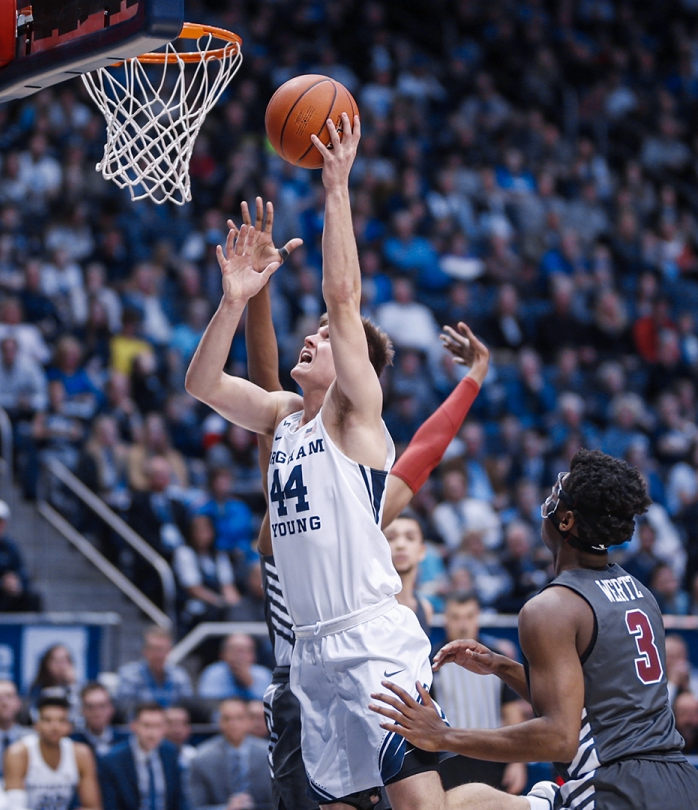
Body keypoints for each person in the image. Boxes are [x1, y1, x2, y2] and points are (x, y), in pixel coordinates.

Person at [185, 118, 449, 810]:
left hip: (373, 639)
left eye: (328, 339)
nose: (313, 335)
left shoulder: (354, 415)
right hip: (311, 652)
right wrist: (232, 301)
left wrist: (337, 187)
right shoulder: (282, 417)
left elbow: (343, 297)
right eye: (314, 333)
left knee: (421, 804)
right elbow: (202, 385)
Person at [235, 193, 490, 810]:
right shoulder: (291, 436)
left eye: (330, 338)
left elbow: (423, 455)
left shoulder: (364, 486)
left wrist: (473, 379)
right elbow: (264, 382)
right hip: (299, 674)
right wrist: (258, 288)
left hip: (362, 649)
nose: (318, 338)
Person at [372, 450, 698, 810]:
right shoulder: (641, 593)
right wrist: (501, 667)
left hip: (617, 789)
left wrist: (445, 736)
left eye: (553, 495)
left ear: (565, 520)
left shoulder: (550, 608)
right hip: (681, 782)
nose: (545, 503)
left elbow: (558, 738)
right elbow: (592, 706)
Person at [431, 593, 523, 792]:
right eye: (456, 617)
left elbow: (511, 710)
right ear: (445, 618)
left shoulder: (497, 659)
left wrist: (517, 762)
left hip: (492, 757)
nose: (463, 624)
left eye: (469, 616)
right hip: (449, 762)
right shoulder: (432, 662)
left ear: (478, 617)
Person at [3, 696, 99, 810]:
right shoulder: (18, 753)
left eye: (61, 720)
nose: (55, 727)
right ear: (36, 725)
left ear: (69, 726)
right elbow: (15, 806)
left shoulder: (81, 754)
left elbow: (92, 807)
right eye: (47, 720)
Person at [97, 703, 185, 810]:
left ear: (165, 728)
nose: (152, 733)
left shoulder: (170, 752)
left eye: (158, 726)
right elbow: (111, 805)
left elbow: (180, 799)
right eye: (147, 726)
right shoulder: (113, 760)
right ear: (134, 726)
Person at [188, 699, 273, 810]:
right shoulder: (201, 758)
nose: (234, 724)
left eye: (239, 718)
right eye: (227, 718)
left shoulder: (269, 754)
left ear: (249, 721)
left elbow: (279, 801)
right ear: (219, 722)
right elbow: (195, 806)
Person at [113, 628, 193, 712]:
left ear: (169, 651)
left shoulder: (179, 675)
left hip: (171, 724)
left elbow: (188, 709)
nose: (159, 655)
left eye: (163, 649)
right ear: (145, 650)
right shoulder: (129, 675)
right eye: (154, 649)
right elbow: (126, 711)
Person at [196, 635, 272, 702]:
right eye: (234, 650)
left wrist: (249, 683)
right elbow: (207, 704)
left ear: (253, 655)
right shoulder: (212, 673)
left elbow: (268, 707)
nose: (239, 656)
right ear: (222, 654)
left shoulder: (264, 675)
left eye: (244, 651)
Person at [72, 685, 126, 757]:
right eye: (90, 707)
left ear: (111, 708)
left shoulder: (126, 742)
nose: (97, 712)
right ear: (82, 710)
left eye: (102, 706)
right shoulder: (74, 743)